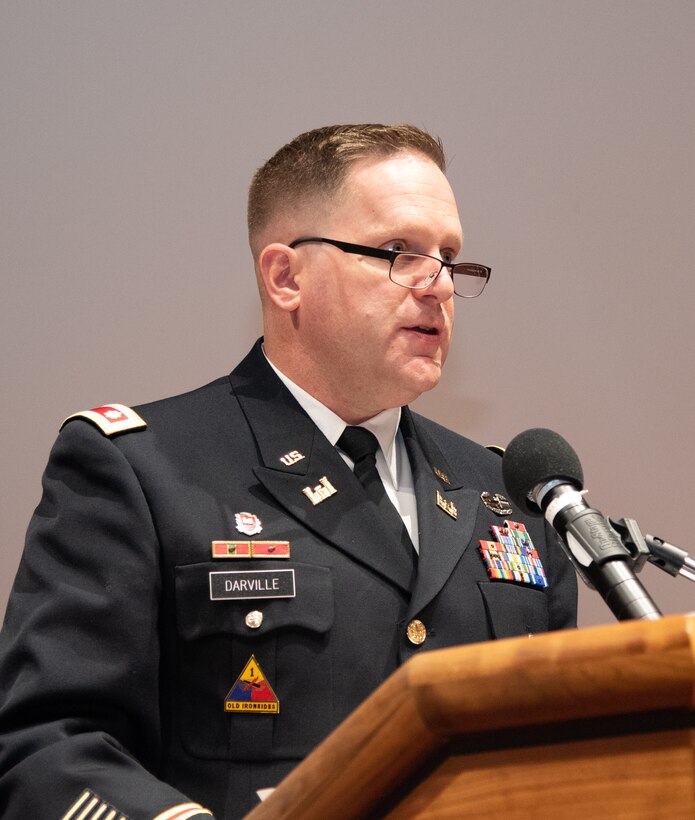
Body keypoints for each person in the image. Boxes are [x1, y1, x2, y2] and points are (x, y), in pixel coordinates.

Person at [0, 124, 577, 819]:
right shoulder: (143, 469)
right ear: (285, 277)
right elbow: (47, 744)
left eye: (449, 257)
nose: (439, 285)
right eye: (399, 251)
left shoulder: (507, 495)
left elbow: (563, 756)